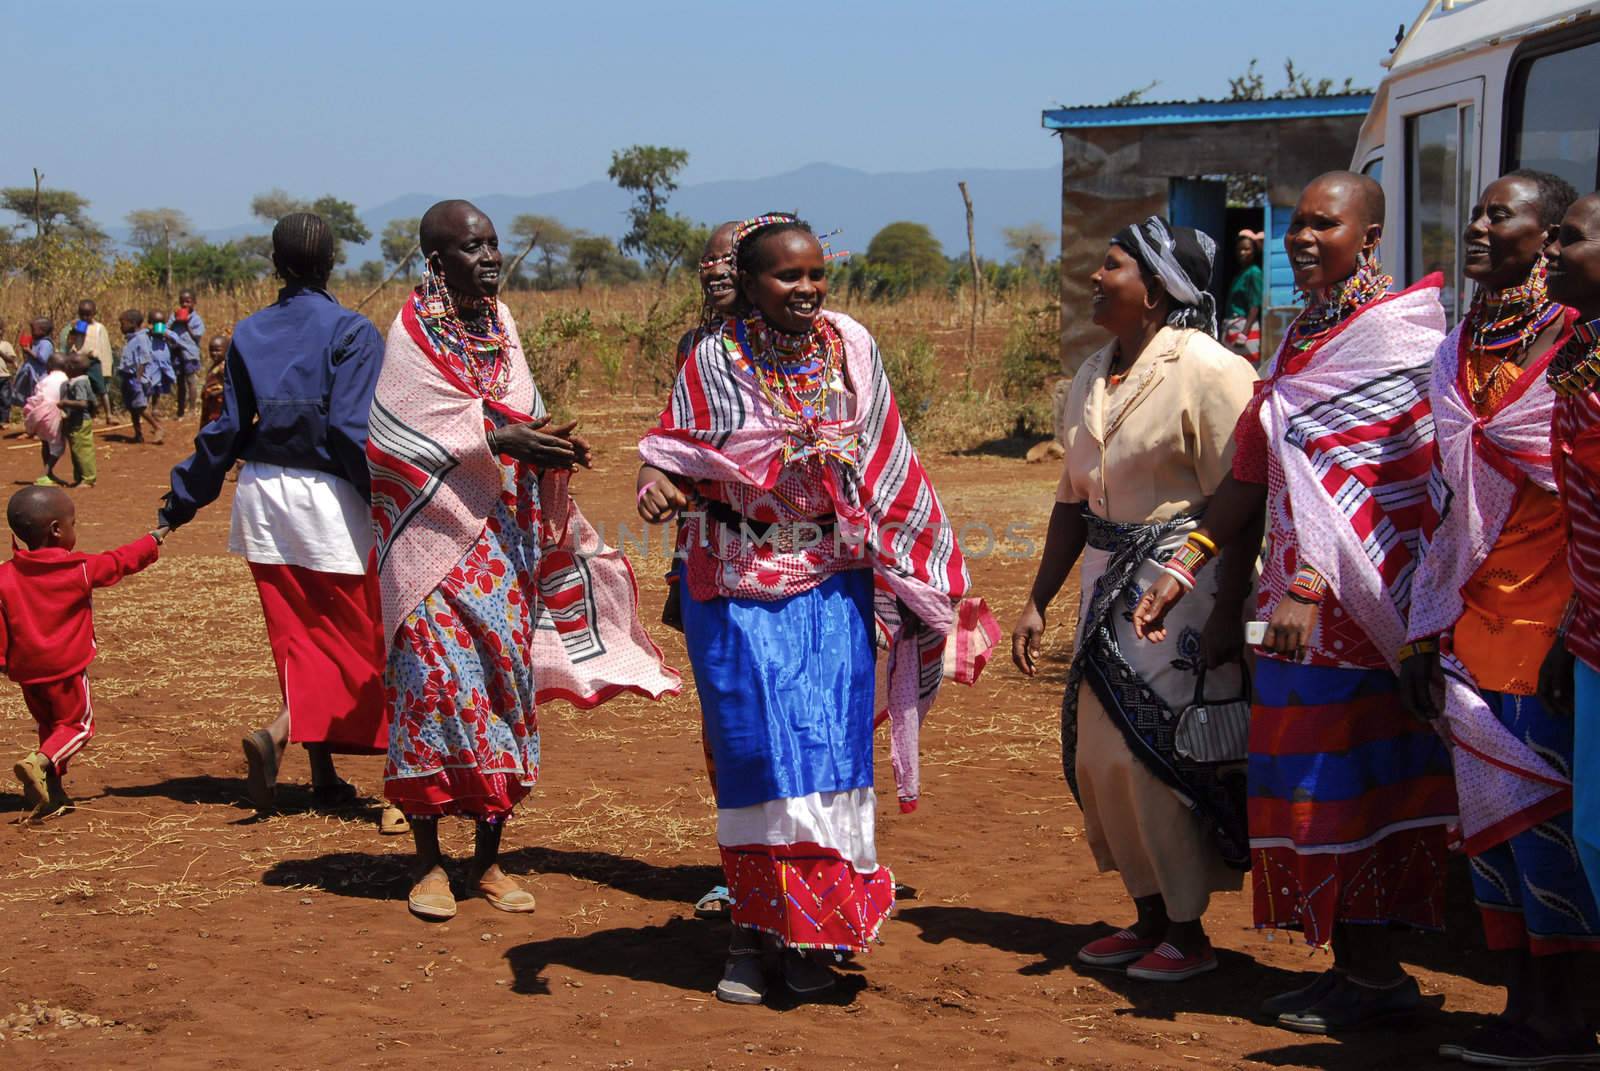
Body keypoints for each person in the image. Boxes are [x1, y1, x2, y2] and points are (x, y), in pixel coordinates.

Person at [1133, 172, 1454, 1033]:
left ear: (1372, 235)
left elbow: (1404, 479)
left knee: (1354, 787)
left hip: (1369, 612)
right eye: (1297, 225)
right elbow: (1252, 469)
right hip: (1290, 612)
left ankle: (1380, 973)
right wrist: (1188, 563)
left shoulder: (1404, 339)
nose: (1303, 238)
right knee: (1303, 788)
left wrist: (1314, 582)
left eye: (1325, 224)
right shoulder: (1300, 339)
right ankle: (1354, 966)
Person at [637, 213, 976, 1004]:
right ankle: (751, 937)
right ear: (750, 284)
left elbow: (889, 451)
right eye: (788, 276)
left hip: (830, 577)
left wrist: (921, 564)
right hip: (734, 583)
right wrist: (661, 485)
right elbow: (677, 454)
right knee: (755, 759)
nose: (808, 289)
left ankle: (814, 934)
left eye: (817, 274)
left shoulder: (850, 346)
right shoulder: (712, 359)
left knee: (825, 753)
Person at [372, 199, 677, 923]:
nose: (489, 257)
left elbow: (514, 415)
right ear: (436, 261)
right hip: (431, 549)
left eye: (492, 244)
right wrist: (508, 443)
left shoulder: (501, 328)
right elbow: (394, 439)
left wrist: (549, 448)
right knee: (434, 689)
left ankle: (488, 858)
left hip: (503, 540)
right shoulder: (412, 334)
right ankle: (426, 861)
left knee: (504, 688)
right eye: (471, 247)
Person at [1012, 217, 1259, 982]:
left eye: (1111, 265)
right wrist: (1038, 599)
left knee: (1156, 757)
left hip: (1181, 588)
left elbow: (1244, 495)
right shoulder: (1094, 372)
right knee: (1099, 758)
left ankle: (1188, 931)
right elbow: (1069, 501)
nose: (1094, 276)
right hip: (1103, 583)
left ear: (1154, 288)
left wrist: (1222, 609)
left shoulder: (1212, 370)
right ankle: (1148, 913)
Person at [1400, 171, 1599, 1066]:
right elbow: (1445, 500)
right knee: (1489, 830)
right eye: (1477, 211)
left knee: (1555, 832)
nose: (1477, 226)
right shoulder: (1457, 350)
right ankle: (1522, 1005)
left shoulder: (1571, 345)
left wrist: (1570, 627)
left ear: (1552, 234)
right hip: (1471, 617)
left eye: (1501, 214)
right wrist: (1424, 622)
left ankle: (1566, 1016)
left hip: (1554, 625)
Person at [160, 213, 402, 834]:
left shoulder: (249, 332)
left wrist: (182, 500)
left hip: (262, 495)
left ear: (275, 262)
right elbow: (352, 431)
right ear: (332, 263)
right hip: (330, 501)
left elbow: (227, 431)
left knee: (299, 637)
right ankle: (298, 738)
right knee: (364, 640)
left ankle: (323, 777)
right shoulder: (352, 331)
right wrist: (387, 498)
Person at [0, 486, 166, 820]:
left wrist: (4, 662)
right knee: (77, 726)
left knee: (50, 726)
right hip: (66, 669)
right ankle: (40, 762)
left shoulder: (4, 574)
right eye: (73, 522)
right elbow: (120, 562)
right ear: (57, 530)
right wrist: (153, 540)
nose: (76, 528)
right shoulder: (78, 569)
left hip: (28, 672)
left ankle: (52, 794)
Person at [1544, 192, 1600, 960]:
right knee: (1591, 830)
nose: (1553, 248)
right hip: (1591, 633)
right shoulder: (1580, 355)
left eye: (1573, 237)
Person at [62, 300, 114, 425]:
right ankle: (76, 413)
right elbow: (67, 344)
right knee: (76, 387)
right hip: (78, 363)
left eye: (88, 315)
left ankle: (109, 414)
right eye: (82, 315)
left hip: (93, 361)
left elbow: (105, 348)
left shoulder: (99, 328)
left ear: (94, 313)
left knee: (101, 389)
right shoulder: (74, 326)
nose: (85, 318)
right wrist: (73, 332)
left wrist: (106, 367)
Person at [116, 310, 164, 444]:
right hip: (128, 377)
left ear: (132, 323)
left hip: (135, 378)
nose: (121, 327)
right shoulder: (131, 338)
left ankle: (157, 427)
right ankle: (138, 434)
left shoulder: (141, 338)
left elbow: (144, 358)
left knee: (140, 406)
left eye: (123, 324)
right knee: (132, 407)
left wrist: (138, 378)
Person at [23, 353, 70, 485]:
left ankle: (49, 474)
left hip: (40, 414)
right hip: (54, 415)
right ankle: (45, 473)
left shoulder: (44, 380)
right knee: (58, 447)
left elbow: (37, 396)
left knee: (45, 442)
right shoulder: (66, 379)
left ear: (49, 366)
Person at [58, 352, 99, 488]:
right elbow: (94, 402)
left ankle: (88, 478)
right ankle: (81, 477)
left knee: (82, 449)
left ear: (74, 368)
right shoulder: (81, 380)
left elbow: (83, 403)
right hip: (79, 420)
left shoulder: (79, 382)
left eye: (68, 364)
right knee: (77, 449)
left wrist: (65, 403)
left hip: (80, 421)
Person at [1221, 230, 1264, 359]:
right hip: (1233, 326)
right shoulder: (1241, 273)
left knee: (1246, 370)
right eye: (1239, 249)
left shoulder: (1254, 272)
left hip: (1244, 328)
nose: (1242, 253)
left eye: (1247, 249)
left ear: (1254, 251)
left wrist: (1244, 334)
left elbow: (1255, 305)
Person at [168, 290, 205, 419]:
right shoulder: (174, 316)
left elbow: (197, 335)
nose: (185, 304)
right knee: (180, 382)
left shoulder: (196, 318)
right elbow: (167, 331)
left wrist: (186, 323)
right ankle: (180, 410)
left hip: (190, 353)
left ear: (194, 303)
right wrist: (176, 321)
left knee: (191, 381)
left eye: (188, 301)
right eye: (182, 301)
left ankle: (192, 409)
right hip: (176, 352)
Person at [199, 334, 228, 426]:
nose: (214, 353)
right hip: (210, 404)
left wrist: (217, 393)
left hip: (218, 405)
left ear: (227, 350)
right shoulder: (214, 366)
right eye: (211, 350)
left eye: (217, 350)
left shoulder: (224, 368)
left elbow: (231, 386)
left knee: (215, 426)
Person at [0, 316, 19, 429]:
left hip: (4, 376)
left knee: (5, 399)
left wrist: (1, 353)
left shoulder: (6, 345)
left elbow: (11, 360)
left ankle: (4, 420)